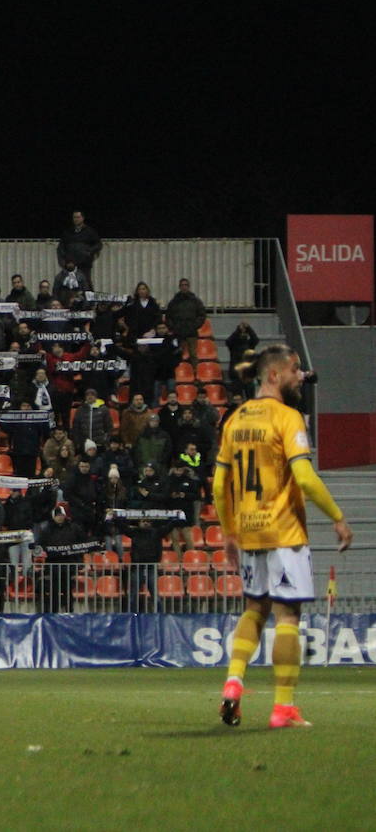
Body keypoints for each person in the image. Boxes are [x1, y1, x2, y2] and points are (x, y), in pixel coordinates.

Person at [215, 344, 351, 730]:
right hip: (284, 531)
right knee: (288, 615)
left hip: (248, 531)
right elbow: (304, 477)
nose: (299, 377)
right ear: (274, 375)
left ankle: (234, 681)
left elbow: (219, 484)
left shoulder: (235, 419)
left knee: (254, 609)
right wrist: (338, 517)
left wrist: (229, 531)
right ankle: (284, 707)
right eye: (294, 370)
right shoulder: (287, 417)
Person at [165, 278, 207, 365]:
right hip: (178, 333)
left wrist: (194, 326)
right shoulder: (174, 302)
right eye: (182, 285)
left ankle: (195, 371)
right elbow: (168, 316)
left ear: (189, 286)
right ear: (179, 287)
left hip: (191, 333)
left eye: (186, 285)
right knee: (178, 354)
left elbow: (202, 315)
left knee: (193, 355)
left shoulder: (196, 301)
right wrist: (173, 327)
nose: (184, 287)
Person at [57, 210, 101, 284]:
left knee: (85, 284)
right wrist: (64, 262)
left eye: (78, 217)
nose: (76, 219)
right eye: (74, 217)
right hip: (70, 266)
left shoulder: (90, 232)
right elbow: (61, 248)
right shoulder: (68, 232)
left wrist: (88, 252)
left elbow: (98, 244)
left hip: (84, 265)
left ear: (82, 218)